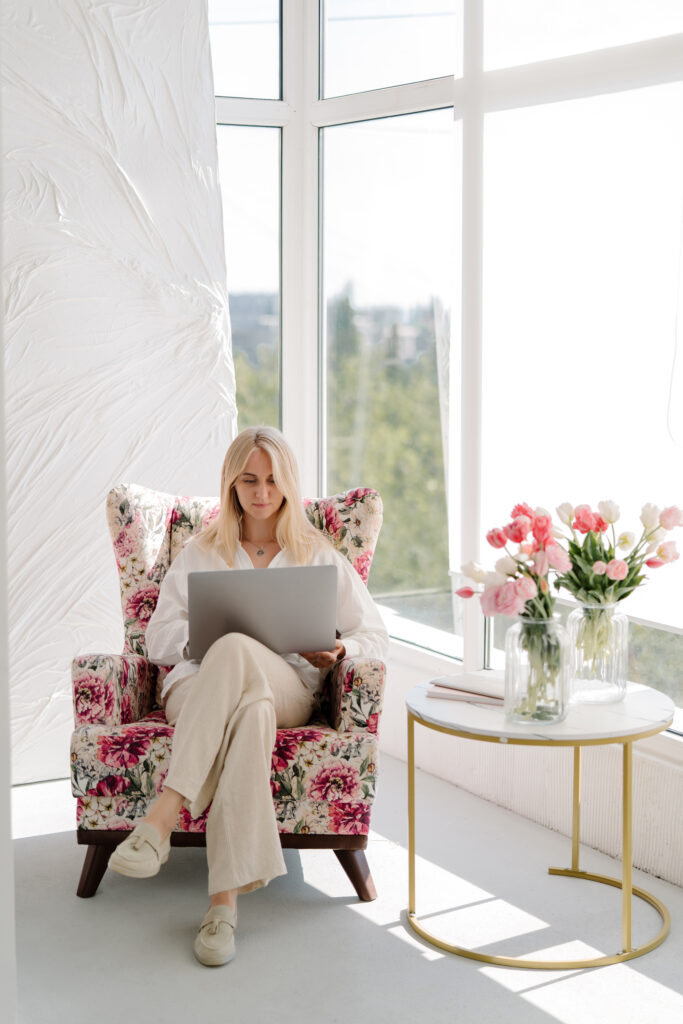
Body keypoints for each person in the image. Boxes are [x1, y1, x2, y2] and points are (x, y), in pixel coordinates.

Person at [108, 426, 388, 966]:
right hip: (195, 688)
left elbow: (374, 634)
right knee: (247, 705)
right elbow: (157, 637)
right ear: (232, 484)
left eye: (273, 480)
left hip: (290, 688)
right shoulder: (201, 550)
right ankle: (222, 909)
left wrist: (339, 649)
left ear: (288, 484)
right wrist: (201, 640)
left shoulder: (317, 553)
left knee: (243, 660)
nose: (261, 492)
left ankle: (162, 818)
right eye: (249, 480)